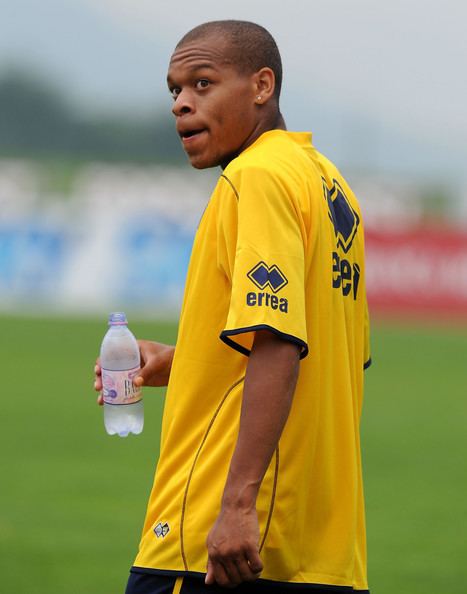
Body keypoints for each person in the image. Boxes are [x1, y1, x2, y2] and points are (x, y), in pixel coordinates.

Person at [94, 19, 371, 594]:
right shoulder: (328, 185)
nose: (181, 105)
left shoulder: (258, 176)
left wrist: (238, 503)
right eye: (175, 90)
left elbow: (277, 342)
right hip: (322, 549)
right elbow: (324, 355)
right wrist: (183, 361)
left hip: (221, 545)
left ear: (261, 86)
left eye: (202, 83)